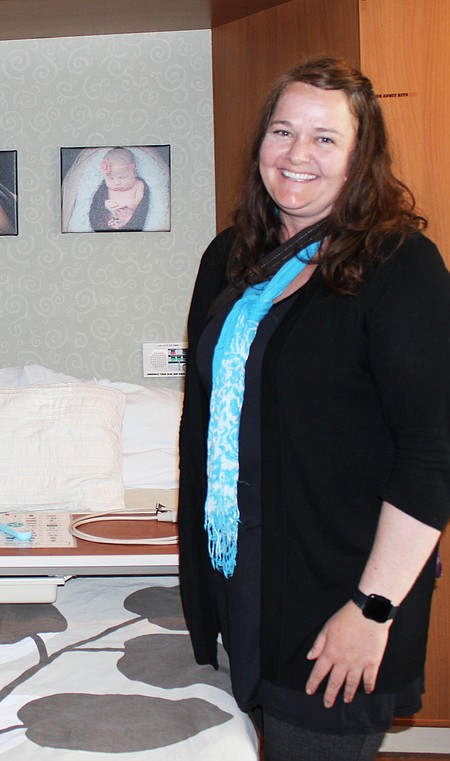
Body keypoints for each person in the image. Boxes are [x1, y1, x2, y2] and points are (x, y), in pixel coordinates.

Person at [178, 58, 450, 760]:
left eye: (325, 138)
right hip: (250, 586)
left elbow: (432, 452)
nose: (297, 154)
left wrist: (373, 608)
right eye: (282, 131)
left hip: (344, 595)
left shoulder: (400, 266)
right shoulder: (230, 257)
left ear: (361, 158)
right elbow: (208, 417)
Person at [89, 147, 150, 231]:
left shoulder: (138, 185)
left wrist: (125, 203)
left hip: (130, 219)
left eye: (123, 177)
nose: (117, 183)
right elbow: (99, 203)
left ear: (134, 172)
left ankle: (125, 223)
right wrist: (106, 204)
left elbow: (140, 202)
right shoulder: (105, 188)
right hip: (110, 220)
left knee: (130, 220)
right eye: (111, 178)